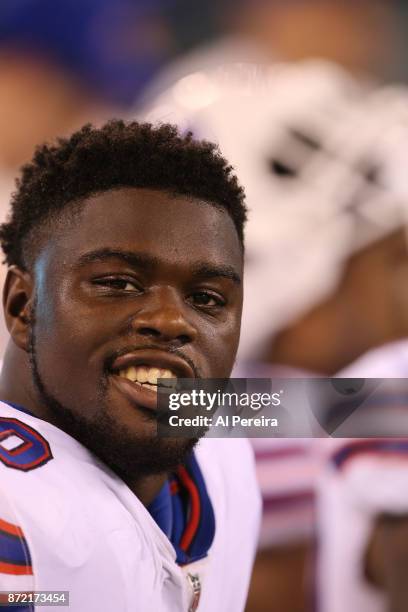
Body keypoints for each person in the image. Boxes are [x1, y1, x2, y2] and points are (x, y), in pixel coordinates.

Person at [0, 120, 260, 611]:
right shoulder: (14, 514)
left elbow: (353, 409)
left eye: (206, 298)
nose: (170, 321)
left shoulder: (215, 425)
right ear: (22, 305)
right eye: (118, 284)